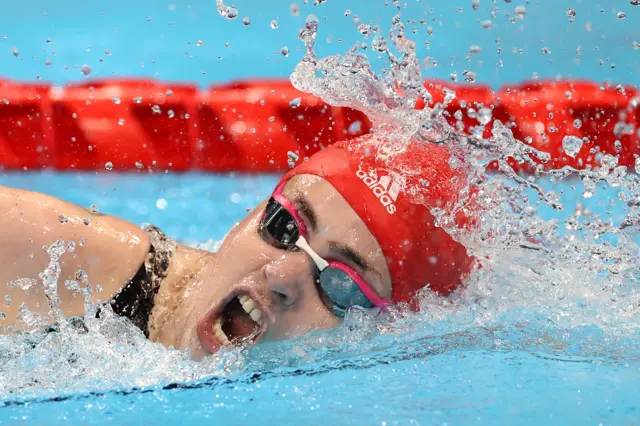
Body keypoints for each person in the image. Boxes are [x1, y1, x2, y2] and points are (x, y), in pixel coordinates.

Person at [0, 133, 473, 360]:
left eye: (340, 285)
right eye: (285, 228)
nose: (283, 276)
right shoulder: (63, 260)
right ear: (250, 213)